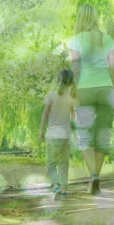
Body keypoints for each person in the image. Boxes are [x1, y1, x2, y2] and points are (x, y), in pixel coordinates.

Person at [68, 4, 114, 195]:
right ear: (96, 17)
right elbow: (113, 70)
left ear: (80, 18)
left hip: (84, 89)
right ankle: (96, 175)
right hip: (105, 88)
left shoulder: (76, 40)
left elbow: (75, 70)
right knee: (103, 134)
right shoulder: (107, 39)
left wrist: (73, 97)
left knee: (85, 136)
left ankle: (94, 176)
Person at [39, 69, 77, 201]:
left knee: (51, 163)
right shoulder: (71, 98)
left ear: (58, 80)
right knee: (63, 163)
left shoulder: (51, 95)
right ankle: (64, 189)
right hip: (66, 135)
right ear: (71, 82)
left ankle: (55, 186)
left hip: (53, 134)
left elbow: (45, 114)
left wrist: (41, 131)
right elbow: (74, 116)